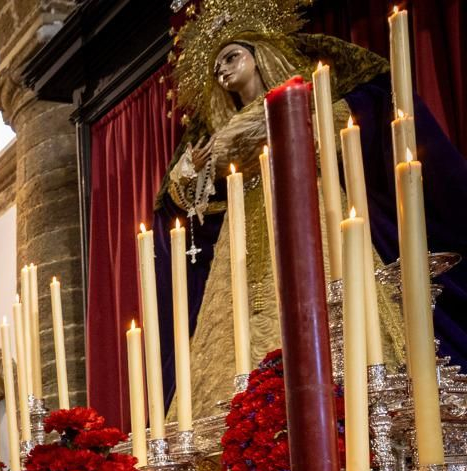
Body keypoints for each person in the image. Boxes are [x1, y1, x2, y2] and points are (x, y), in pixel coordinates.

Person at [162, 1, 467, 415]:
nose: (224, 72)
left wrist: (284, 124)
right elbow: (186, 194)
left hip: (308, 203)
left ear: (258, 54)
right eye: (217, 68)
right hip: (242, 225)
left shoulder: (301, 98)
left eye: (232, 57)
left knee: (326, 295)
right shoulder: (220, 132)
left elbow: (338, 126)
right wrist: (192, 171)